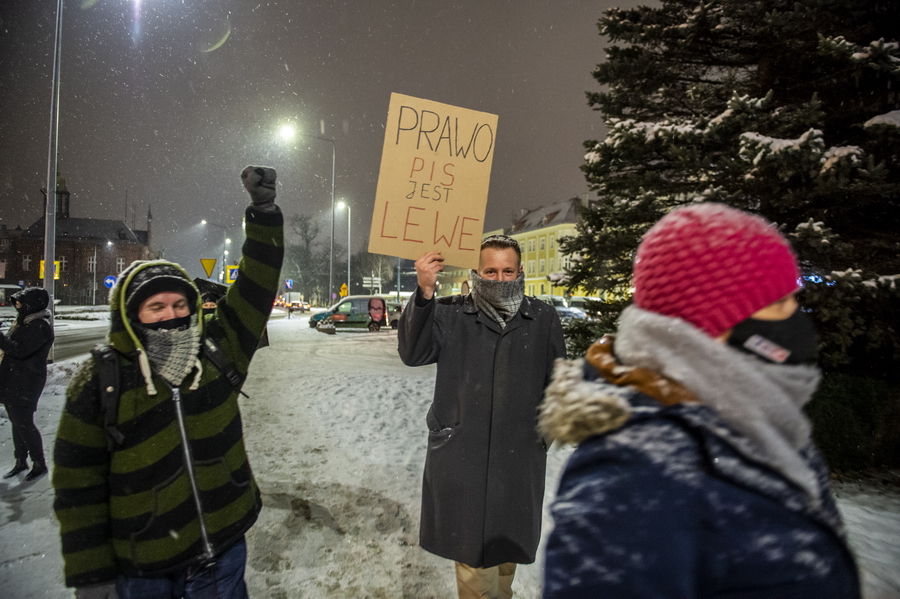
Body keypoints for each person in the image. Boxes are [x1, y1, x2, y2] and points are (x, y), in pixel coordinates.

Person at [539, 203, 860, 598]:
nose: (796, 316)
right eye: (778, 303)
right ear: (713, 321)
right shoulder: (637, 472)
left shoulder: (766, 424)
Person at [52, 165, 284, 599]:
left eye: (179, 304)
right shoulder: (100, 382)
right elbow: (77, 488)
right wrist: (91, 575)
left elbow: (257, 283)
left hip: (223, 553)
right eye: (155, 306)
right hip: (144, 569)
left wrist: (264, 212)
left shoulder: (216, 351)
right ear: (131, 315)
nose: (170, 314)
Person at [398, 234, 566, 599]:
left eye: (508, 271)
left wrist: (542, 437)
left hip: (518, 463)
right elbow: (413, 352)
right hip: (463, 460)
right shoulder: (451, 313)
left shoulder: (542, 318)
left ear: (520, 272)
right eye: (490, 271)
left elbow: (557, 385)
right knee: (474, 564)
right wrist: (424, 293)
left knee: (505, 559)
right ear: (477, 272)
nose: (499, 279)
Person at [0, 287, 54, 482]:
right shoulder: (24, 323)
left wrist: (1, 340)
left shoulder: (39, 326)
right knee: (17, 422)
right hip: (13, 379)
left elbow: (21, 351)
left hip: (27, 381)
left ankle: (39, 464)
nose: (18, 306)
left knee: (24, 423)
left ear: (32, 304)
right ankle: (21, 461)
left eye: (21, 302)